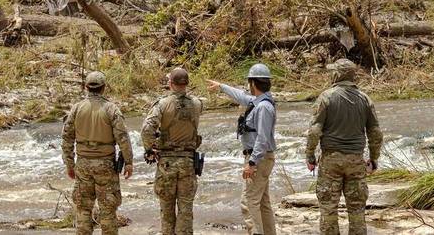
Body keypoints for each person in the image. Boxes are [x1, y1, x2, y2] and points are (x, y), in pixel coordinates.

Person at [305, 59, 383, 235]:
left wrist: (310, 155)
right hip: (356, 160)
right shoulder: (365, 99)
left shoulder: (326, 97)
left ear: (337, 75)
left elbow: (314, 131)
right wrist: (373, 158)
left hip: (331, 161)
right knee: (357, 212)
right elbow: (376, 133)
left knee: (328, 210)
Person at [208, 63, 277, 235]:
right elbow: (241, 97)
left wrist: (252, 162)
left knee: (249, 201)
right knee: (262, 202)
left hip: (258, 159)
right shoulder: (258, 101)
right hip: (261, 158)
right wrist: (221, 87)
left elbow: (262, 138)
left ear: (253, 83)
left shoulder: (263, 107)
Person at [61, 71, 133, 235]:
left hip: (83, 164)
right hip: (106, 165)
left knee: (83, 210)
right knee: (108, 210)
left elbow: (66, 138)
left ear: (86, 87)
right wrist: (128, 162)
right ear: (103, 88)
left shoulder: (77, 108)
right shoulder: (111, 109)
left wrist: (69, 164)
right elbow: (123, 138)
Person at [142, 67, 204, 235]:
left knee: (167, 210)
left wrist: (150, 149)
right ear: (187, 84)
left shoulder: (162, 104)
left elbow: (147, 129)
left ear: (170, 83)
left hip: (167, 164)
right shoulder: (197, 104)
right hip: (188, 163)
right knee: (186, 210)